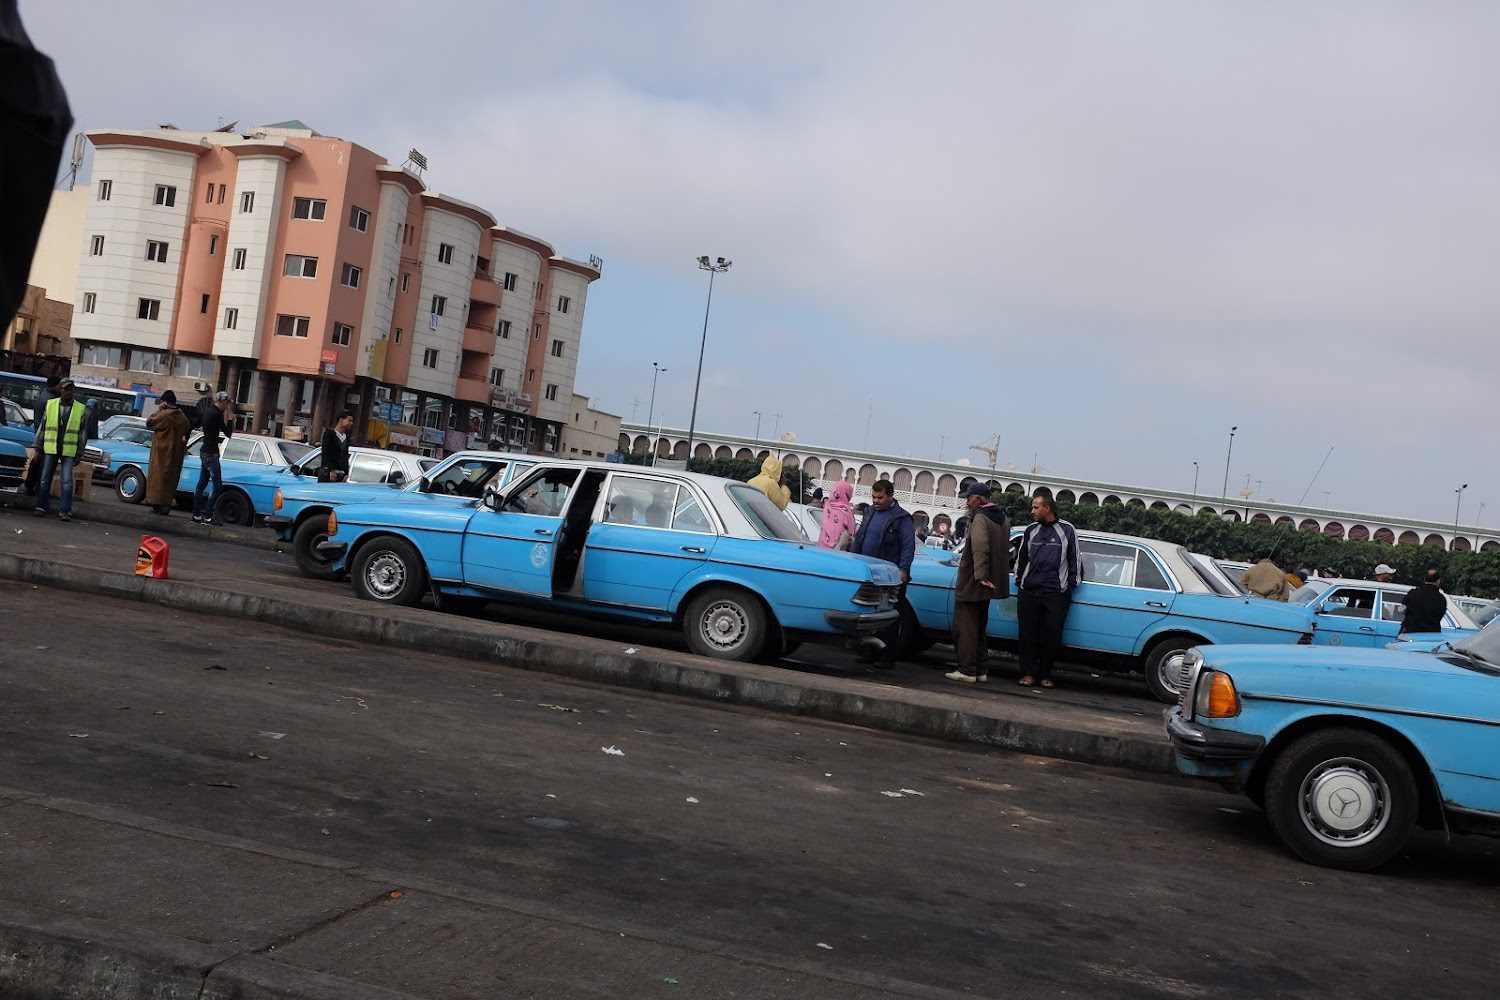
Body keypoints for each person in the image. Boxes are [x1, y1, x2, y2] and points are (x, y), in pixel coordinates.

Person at [1013, 492, 1080, 688]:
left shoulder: (1067, 530)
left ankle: (1045, 675)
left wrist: (1070, 586)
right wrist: (1020, 580)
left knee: (1051, 634)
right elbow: (1022, 557)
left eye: (1035, 507)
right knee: (1027, 634)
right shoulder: (1031, 530)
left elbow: (1074, 559)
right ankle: (1027, 674)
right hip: (1029, 591)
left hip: (1055, 593)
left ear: (1047, 508)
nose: (1032, 511)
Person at [945, 482, 1011, 683]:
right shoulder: (1002, 518)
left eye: (969, 497)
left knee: (965, 627)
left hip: (975, 580)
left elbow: (980, 548)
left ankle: (966, 670)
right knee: (979, 627)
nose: (967, 501)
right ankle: (980, 669)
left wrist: (980, 576)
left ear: (978, 498)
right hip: (990, 581)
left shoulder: (980, 517)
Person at [850, 479, 916, 668]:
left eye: (880, 497)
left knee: (890, 617)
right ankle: (869, 652)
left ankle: (888, 657)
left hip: (889, 576)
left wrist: (903, 570)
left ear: (890, 496)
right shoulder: (870, 512)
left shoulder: (901, 518)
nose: (876, 501)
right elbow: (860, 537)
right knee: (868, 615)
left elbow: (907, 546)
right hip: (868, 572)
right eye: (873, 497)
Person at [31, 376, 95, 522]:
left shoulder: (80, 409)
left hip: (68, 451)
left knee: (67, 481)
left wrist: (80, 453)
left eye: (71, 389)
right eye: (66, 389)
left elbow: (82, 434)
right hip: (51, 448)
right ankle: (41, 507)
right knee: (44, 479)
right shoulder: (51, 404)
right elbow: (43, 427)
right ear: (60, 389)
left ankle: (65, 511)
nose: (69, 392)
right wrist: (37, 447)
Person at [191, 392, 234, 524]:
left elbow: (192, 425)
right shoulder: (217, 414)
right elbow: (228, 434)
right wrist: (231, 418)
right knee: (217, 486)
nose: (227, 407)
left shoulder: (206, 412)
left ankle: (196, 515)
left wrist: (185, 436)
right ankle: (208, 516)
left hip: (204, 451)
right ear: (222, 402)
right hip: (211, 453)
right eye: (227, 404)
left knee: (201, 484)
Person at [144, 390, 190, 515]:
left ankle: (157, 504)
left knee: (157, 479)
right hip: (176, 455)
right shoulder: (183, 418)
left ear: (165, 402)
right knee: (170, 480)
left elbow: (149, 422)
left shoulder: (163, 415)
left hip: (161, 454)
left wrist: (158, 410)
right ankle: (166, 504)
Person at [1400, 567, 1447, 634]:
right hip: (1431, 635)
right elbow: (1440, 615)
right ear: (1438, 581)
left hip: (1410, 633)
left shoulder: (1412, 593)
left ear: (1424, 579)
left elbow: (1401, 610)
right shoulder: (1441, 599)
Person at [817, 481, 857, 551]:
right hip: (838, 552)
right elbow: (851, 533)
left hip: (821, 549)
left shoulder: (827, 506)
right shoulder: (846, 511)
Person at [318, 410, 355, 483]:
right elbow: (325, 453)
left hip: (341, 475)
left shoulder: (346, 437)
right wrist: (331, 470)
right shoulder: (329, 434)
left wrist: (346, 473)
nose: (351, 423)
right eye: (349, 420)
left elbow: (345, 456)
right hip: (328, 474)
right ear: (341, 420)